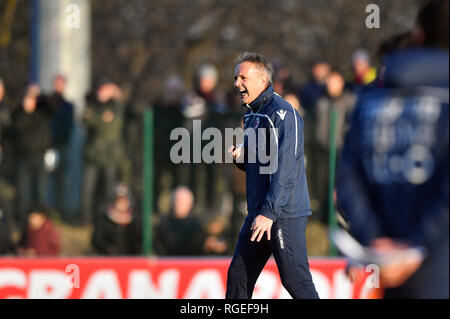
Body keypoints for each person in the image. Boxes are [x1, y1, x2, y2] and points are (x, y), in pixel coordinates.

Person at [336, 0, 449, 299]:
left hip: (389, 268)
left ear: (419, 35)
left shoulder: (371, 101)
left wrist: (375, 240)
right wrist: (415, 246)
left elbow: (347, 177)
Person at [226, 52, 319, 299]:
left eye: (242, 77)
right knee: (238, 276)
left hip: (282, 214)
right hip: (259, 213)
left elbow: (286, 169)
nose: (237, 83)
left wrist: (269, 212)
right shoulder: (251, 114)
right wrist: (242, 157)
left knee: (295, 282)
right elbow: (262, 164)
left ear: (262, 80)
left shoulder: (284, 114)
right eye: (236, 77)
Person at [82, 82, 131, 224]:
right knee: (88, 189)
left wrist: (117, 95)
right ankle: (87, 219)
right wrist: (101, 119)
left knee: (108, 188)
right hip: (92, 154)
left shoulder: (116, 107)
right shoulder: (91, 104)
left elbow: (116, 120)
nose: (102, 93)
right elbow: (87, 120)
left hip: (110, 155)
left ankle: (107, 217)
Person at [313, 70, 356, 223]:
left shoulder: (349, 100)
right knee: (323, 184)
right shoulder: (321, 100)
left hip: (341, 150)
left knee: (339, 184)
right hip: (323, 150)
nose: (331, 85)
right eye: (329, 81)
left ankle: (341, 216)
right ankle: (325, 218)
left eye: (334, 81)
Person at [11, 85, 53, 228]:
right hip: (23, 158)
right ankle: (24, 222)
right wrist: (25, 110)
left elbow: (51, 106)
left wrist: (38, 94)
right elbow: (16, 127)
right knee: (24, 192)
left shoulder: (43, 112)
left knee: (40, 191)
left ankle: (42, 222)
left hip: (40, 157)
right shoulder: (18, 114)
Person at [154, 186, 206, 256]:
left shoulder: (197, 226)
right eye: (176, 200)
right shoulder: (164, 225)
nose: (177, 204)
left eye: (181, 201)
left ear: (189, 204)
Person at [92, 183, 141, 255]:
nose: (122, 204)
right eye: (119, 201)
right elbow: (96, 239)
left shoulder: (135, 220)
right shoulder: (104, 219)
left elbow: (140, 241)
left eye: (124, 201)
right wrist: (109, 249)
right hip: (110, 260)